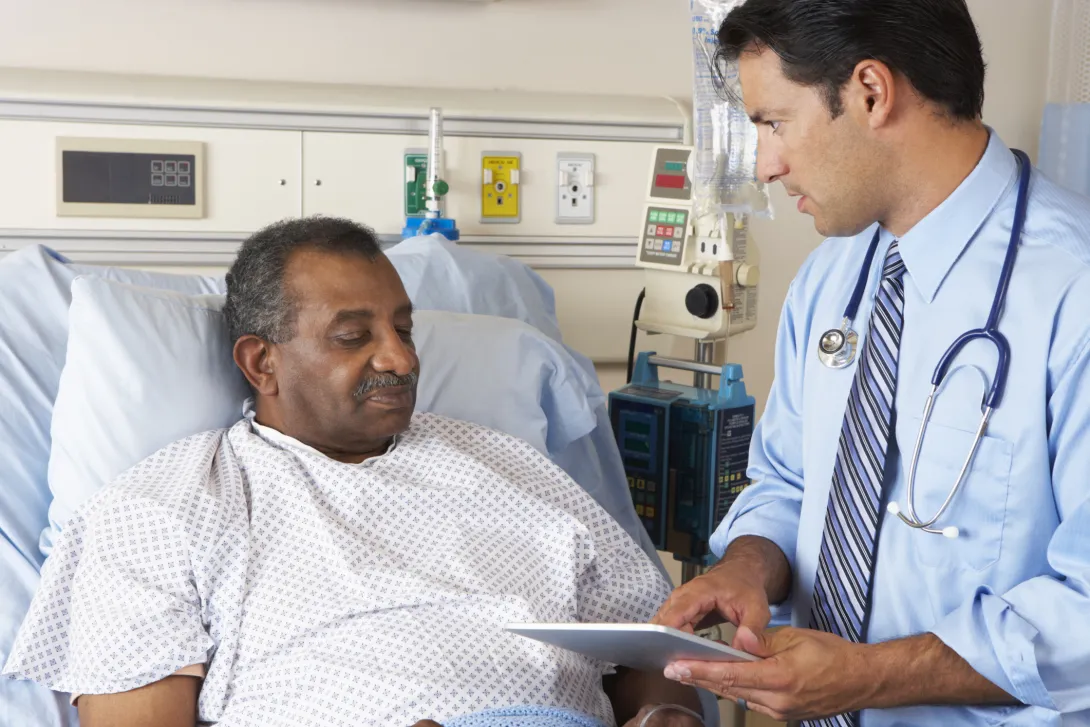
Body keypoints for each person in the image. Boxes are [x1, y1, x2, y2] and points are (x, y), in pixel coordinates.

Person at [3, 217, 703, 727]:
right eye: (354, 336)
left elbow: (652, 648)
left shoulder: (511, 465)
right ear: (260, 362)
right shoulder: (163, 506)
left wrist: (668, 712)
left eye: (404, 328)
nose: (399, 357)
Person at [651, 1, 1090, 725]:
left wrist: (872, 676)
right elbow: (788, 480)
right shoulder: (831, 281)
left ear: (871, 92)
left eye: (774, 122)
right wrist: (747, 565)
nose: (766, 164)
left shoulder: (1070, 295)